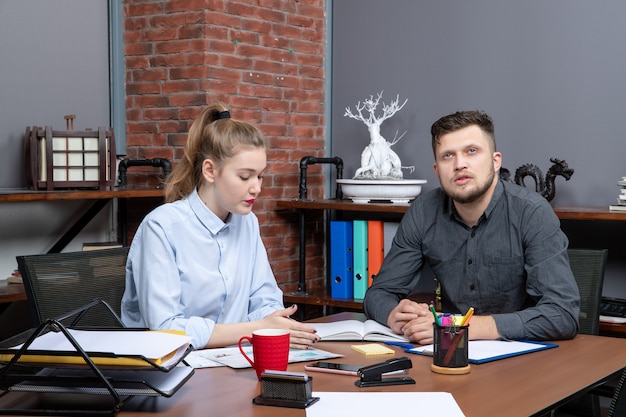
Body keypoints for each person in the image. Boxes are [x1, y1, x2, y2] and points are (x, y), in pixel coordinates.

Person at [363, 110, 580, 345]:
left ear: (496, 161)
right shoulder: (423, 212)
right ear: (437, 171)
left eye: (472, 151)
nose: (460, 164)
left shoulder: (532, 212)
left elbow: (562, 315)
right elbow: (377, 294)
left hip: (524, 359)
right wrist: (393, 314)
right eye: (448, 156)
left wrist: (463, 326)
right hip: (450, 355)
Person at [121, 103, 320, 350]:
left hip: (232, 361)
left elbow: (264, 297)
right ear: (210, 170)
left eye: (260, 176)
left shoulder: (247, 223)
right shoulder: (161, 228)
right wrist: (258, 328)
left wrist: (276, 321)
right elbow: (166, 328)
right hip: (169, 372)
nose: (256, 188)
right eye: (245, 177)